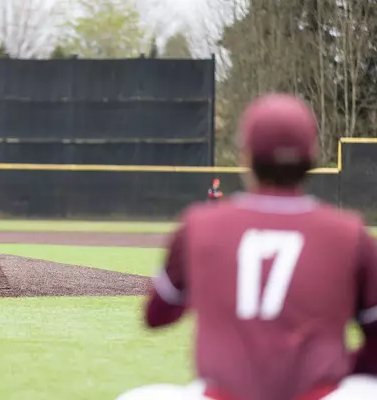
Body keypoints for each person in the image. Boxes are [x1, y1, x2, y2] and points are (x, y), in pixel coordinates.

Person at [116, 93, 377, 400]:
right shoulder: (349, 233)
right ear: (313, 155)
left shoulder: (199, 226)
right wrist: (346, 369)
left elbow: (156, 316)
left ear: (246, 156)